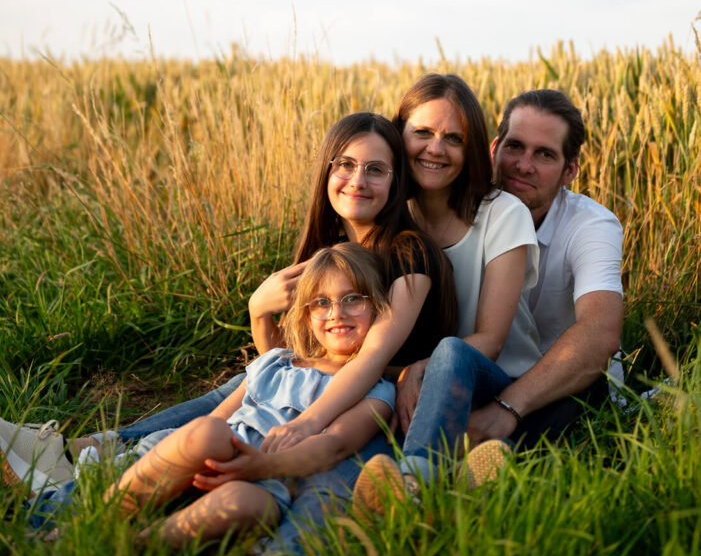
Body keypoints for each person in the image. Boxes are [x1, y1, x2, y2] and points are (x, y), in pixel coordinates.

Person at [13, 112, 455, 532]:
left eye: (376, 169)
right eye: (345, 165)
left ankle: (100, 451)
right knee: (248, 385)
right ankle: (100, 455)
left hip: (373, 397)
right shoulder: (328, 247)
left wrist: (303, 424)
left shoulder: (407, 251)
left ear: (397, 182)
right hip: (318, 382)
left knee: (233, 393)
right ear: (326, 171)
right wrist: (258, 309)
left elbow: (369, 360)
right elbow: (288, 360)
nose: (357, 180)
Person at [103, 243, 396, 549]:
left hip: (270, 478)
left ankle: (136, 547)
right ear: (308, 315)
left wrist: (259, 467)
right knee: (208, 431)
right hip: (218, 453)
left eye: (352, 299)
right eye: (321, 303)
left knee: (243, 501)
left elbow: (334, 446)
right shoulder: (278, 361)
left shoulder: (375, 389)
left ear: (377, 306)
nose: (337, 313)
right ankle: (106, 515)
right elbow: (219, 417)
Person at [353, 73, 542, 506]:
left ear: (470, 148)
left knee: (452, 352)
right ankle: (162, 438)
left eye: (453, 138)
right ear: (398, 135)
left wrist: (418, 368)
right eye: (421, 132)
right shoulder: (388, 214)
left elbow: (490, 342)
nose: (435, 148)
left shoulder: (502, 214)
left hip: (495, 379)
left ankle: (414, 490)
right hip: (412, 377)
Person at [465, 88, 624, 449]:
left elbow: (600, 334)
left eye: (545, 155)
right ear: (494, 149)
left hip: (562, 386)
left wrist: (508, 407)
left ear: (569, 171)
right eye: (515, 147)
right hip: (489, 378)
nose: (524, 165)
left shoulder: (592, 226)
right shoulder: (462, 214)